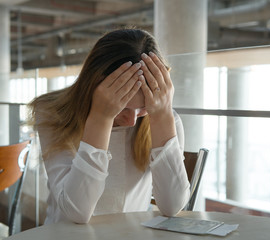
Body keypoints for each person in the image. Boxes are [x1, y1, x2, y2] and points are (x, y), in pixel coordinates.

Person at [28, 28, 190, 224]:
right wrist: (101, 118)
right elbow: (76, 212)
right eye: (122, 107)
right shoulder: (53, 113)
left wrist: (161, 116)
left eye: (141, 109)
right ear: (93, 86)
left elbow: (172, 207)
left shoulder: (162, 116)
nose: (131, 121)